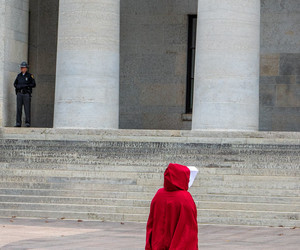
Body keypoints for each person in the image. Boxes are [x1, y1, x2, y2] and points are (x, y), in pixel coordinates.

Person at [146, 163, 199, 250]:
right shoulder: (185, 198)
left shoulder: (158, 195)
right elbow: (188, 230)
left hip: (157, 244)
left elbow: (151, 224)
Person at [14, 61, 36, 127]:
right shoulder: (19, 75)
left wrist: (26, 86)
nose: (22, 69)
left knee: (27, 109)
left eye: (23, 67)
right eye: (21, 67)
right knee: (19, 109)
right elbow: (15, 83)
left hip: (26, 94)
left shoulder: (30, 76)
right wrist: (18, 86)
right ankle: (18, 123)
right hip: (19, 93)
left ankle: (27, 122)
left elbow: (33, 84)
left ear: (26, 68)